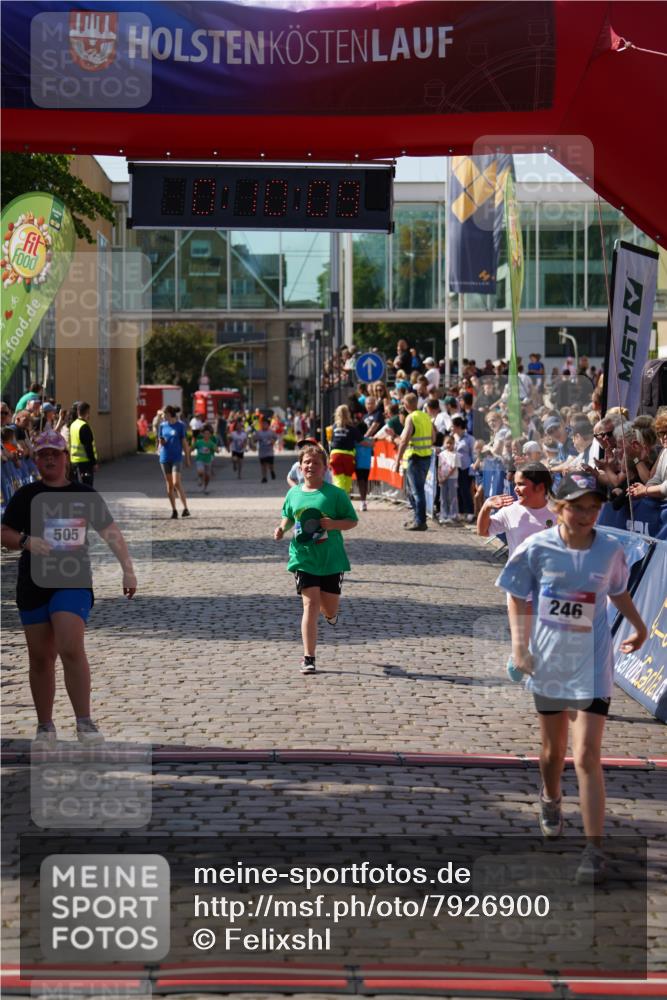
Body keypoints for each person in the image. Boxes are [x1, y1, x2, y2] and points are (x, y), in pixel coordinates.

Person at [496, 472, 647, 883]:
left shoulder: (610, 549)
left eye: (594, 507)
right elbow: (515, 593)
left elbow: (617, 590)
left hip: (593, 663)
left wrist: (639, 626)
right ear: (559, 508)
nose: (587, 515)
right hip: (549, 660)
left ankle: (594, 849)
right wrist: (519, 645)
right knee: (551, 752)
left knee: (586, 755)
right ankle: (550, 796)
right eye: (578, 507)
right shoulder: (536, 548)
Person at [0, 430, 137, 746]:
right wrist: (26, 541)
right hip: (32, 583)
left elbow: (111, 531)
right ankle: (45, 726)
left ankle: (84, 722)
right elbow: (4, 532)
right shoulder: (27, 495)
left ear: (65, 458)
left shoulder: (84, 494)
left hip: (72, 580)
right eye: (43, 454)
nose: (49, 458)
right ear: (36, 459)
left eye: (55, 453)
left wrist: (128, 570)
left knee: (69, 646)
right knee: (40, 657)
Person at [275, 444, 358, 674]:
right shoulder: (293, 493)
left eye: (316, 463)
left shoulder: (335, 494)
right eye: (307, 462)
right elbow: (287, 515)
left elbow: (352, 520)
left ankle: (329, 613)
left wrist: (333, 524)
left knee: (329, 610)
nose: (311, 466)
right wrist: (282, 529)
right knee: (309, 604)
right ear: (300, 467)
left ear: (325, 468)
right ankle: (309, 657)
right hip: (304, 557)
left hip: (331, 559)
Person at [394, 392, 435, 531]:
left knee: (416, 492)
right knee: (414, 491)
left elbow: (404, 440)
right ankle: (417, 518)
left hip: (415, 458)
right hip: (426, 457)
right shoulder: (426, 416)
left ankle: (420, 522)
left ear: (405, 405)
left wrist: (397, 460)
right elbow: (433, 437)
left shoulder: (410, 418)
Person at [158, 405, 191, 518]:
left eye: (164, 414)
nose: (162, 416)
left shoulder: (180, 426)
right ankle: (174, 510)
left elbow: (184, 443)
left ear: (170, 414)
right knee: (169, 485)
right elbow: (160, 442)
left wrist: (187, 458)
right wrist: (161, 443)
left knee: (177, 482)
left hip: (177, 458)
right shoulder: (162, 426)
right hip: (164, 458)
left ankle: (185, 508)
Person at [329, 404, 364, 495]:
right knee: (348, 479)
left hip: (335, 455)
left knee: (338, 480)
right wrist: (372, 444)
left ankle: (338, 500)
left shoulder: (333, 427)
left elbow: (330, 441)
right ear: (348, 414)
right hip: (348, 456)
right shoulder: (352, 428)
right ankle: (345, 499)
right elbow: (361, 441)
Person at [451, 415, 475, 522]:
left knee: (465, 490)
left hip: (465, 468)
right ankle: (460, 511)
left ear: (458, 426)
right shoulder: (452, 437)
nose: (451, 428)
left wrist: (472, 469)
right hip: (454, 468)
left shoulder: (469, 439)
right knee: (458, 491)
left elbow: (473, 454)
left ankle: (470, 512)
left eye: (453, 426)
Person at [69, 402, 98, 487]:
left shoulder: (73, 425)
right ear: (87, 412)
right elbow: (88, 447)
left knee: (77, 487)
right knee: (87, 487)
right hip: (84, 463)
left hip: (74, 462)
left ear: (78, 412)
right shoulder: (84, 426)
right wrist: (94, 463)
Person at [437, 435, 459, 524]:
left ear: (454, 444)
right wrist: (439, 477)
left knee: (452, 496)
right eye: (447, 443)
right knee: (443, 497)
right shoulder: (442, 454)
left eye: (451, 443)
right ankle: (444, 514)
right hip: (442, 478)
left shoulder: (455, 455)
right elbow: (439, 466)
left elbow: (453, 468)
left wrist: (445, 477)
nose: (449, 445)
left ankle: (453, 514)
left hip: (452, 478)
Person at [253, 417, 278, 482]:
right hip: (262, 452)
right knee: (263, 465)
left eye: (265, 424)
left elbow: (275, 438)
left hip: (270, 452)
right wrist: (255, 438)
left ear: (268, 425)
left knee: (270, 465)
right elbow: (255, 440)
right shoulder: (259, 432)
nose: (264, 425)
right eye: (263, 424)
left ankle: (272, 471)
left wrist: (273, 441)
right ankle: (264, 477)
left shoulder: (271, 432)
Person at [193, 424, 216, 494]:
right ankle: (200, 478)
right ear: (203, 434)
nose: (207, 435)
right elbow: (192, 447)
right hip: (200, 459)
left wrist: (216, 449)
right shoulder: (199, 440)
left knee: (208, 476)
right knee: (201, 471)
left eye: (208, 434)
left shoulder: (212, 441)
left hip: (208, 459)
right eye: (205, 433)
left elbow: (215, 448)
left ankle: (205, 488)